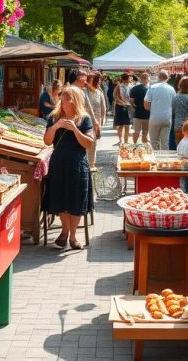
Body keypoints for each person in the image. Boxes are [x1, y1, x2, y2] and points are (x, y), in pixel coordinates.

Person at [42, 86, 95, 251]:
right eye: (62, 98)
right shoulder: (54, 117)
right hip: (58, 164)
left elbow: (89, 143)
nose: (64, 102)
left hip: (78, 165)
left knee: (77, 200)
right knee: (61, 199)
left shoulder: (84, 119)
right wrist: (56, 127)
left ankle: (73, 236)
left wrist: (74, 129)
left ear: (76, 101)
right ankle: (64, 233)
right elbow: (47, 141)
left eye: (67, 99)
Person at [144, 70, 176, 150]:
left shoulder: (152, 87)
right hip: (167, 118)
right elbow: (174, 105)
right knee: (165, 143)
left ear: (158, 77)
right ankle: (165, 161)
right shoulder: (171, 89)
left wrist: (155, 109)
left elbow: (146, 105)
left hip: (155, 117)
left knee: (154, 142)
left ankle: (155, 160)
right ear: (167, 78)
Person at [171, 77, 188, 151]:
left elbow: (172, 111)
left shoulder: (175, 97)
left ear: (180, 86)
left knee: (179, 147)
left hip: (178, 126)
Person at [85, 72, 107, 166]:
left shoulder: (99, 93)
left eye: (98, 82)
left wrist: (102, 122)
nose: (98, 84)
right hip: (84, 122)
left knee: (93, 144)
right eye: (95, 81)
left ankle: (91, 164)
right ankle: (84, 163)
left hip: (96, 123)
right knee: (84, 143)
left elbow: (103, 108)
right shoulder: (84, 92)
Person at [129, 73, 151, 144]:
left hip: (144, 114)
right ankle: (136, 145)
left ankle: (140, 146)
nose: (145, 79)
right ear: (141, 79)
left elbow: (131, 101)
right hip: (142, 114)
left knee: (141, 132)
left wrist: (134, 108)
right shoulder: (150, 88)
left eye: (146, 77)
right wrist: (134, 108)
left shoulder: (150, 88)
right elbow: (131, 101)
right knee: (140, 132)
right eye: (144, 77)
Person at [113, 74, 133, 145]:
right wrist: (123, 102)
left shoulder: (131, 86)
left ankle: (126, 141)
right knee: (120, 125)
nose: (131, 79)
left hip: (128, 107)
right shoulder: (118, 86)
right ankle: (120, 140)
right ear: (125, 79)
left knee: (128, 125)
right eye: (129, 78)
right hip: (120, 107)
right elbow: (115, 96)